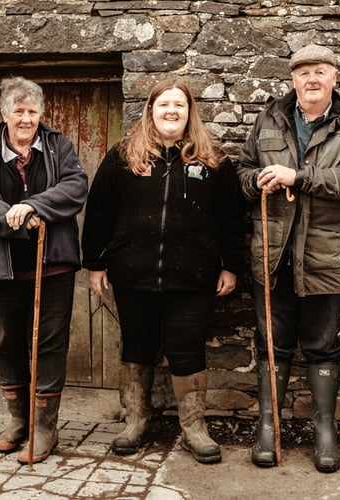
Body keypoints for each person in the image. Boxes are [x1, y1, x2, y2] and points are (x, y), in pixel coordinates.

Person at [81, 78, 245, 464]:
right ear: (150, 110)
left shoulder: (214, 161)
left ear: (190, 112)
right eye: (164, 105)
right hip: (132, 273)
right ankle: (135, 421)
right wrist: (94, 263)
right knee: (137, 346)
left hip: (193, 277)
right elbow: (99, 212)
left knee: (187, 349)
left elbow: (233, 220)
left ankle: (194, 428)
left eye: (179, 105)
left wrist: (231, 267)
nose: (171, 111)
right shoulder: (122, 155)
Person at [236, 44, 340, 472]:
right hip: (272, 257)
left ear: (334, 78)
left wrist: (298, 176)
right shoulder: (268, 118)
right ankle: (268, 427)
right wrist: (255, 181)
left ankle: (325, 430)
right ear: (293, 80)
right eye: (303, 73)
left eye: (320, 72)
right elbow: (241, 171)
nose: (311, 79)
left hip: (324, 258)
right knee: (271, 344)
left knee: (322, 345)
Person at [0, 76, 88, 465]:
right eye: (19, 111)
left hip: (54, 266)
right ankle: (18, 421)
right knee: (6, 344)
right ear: (4, 114)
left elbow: (76, 186)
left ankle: (45, 427)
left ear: (41, 113)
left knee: (49, 345)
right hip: (5, 268)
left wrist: (34, 206)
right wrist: (7, 214)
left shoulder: (58, 145)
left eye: (33, 111)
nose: (26, 119)